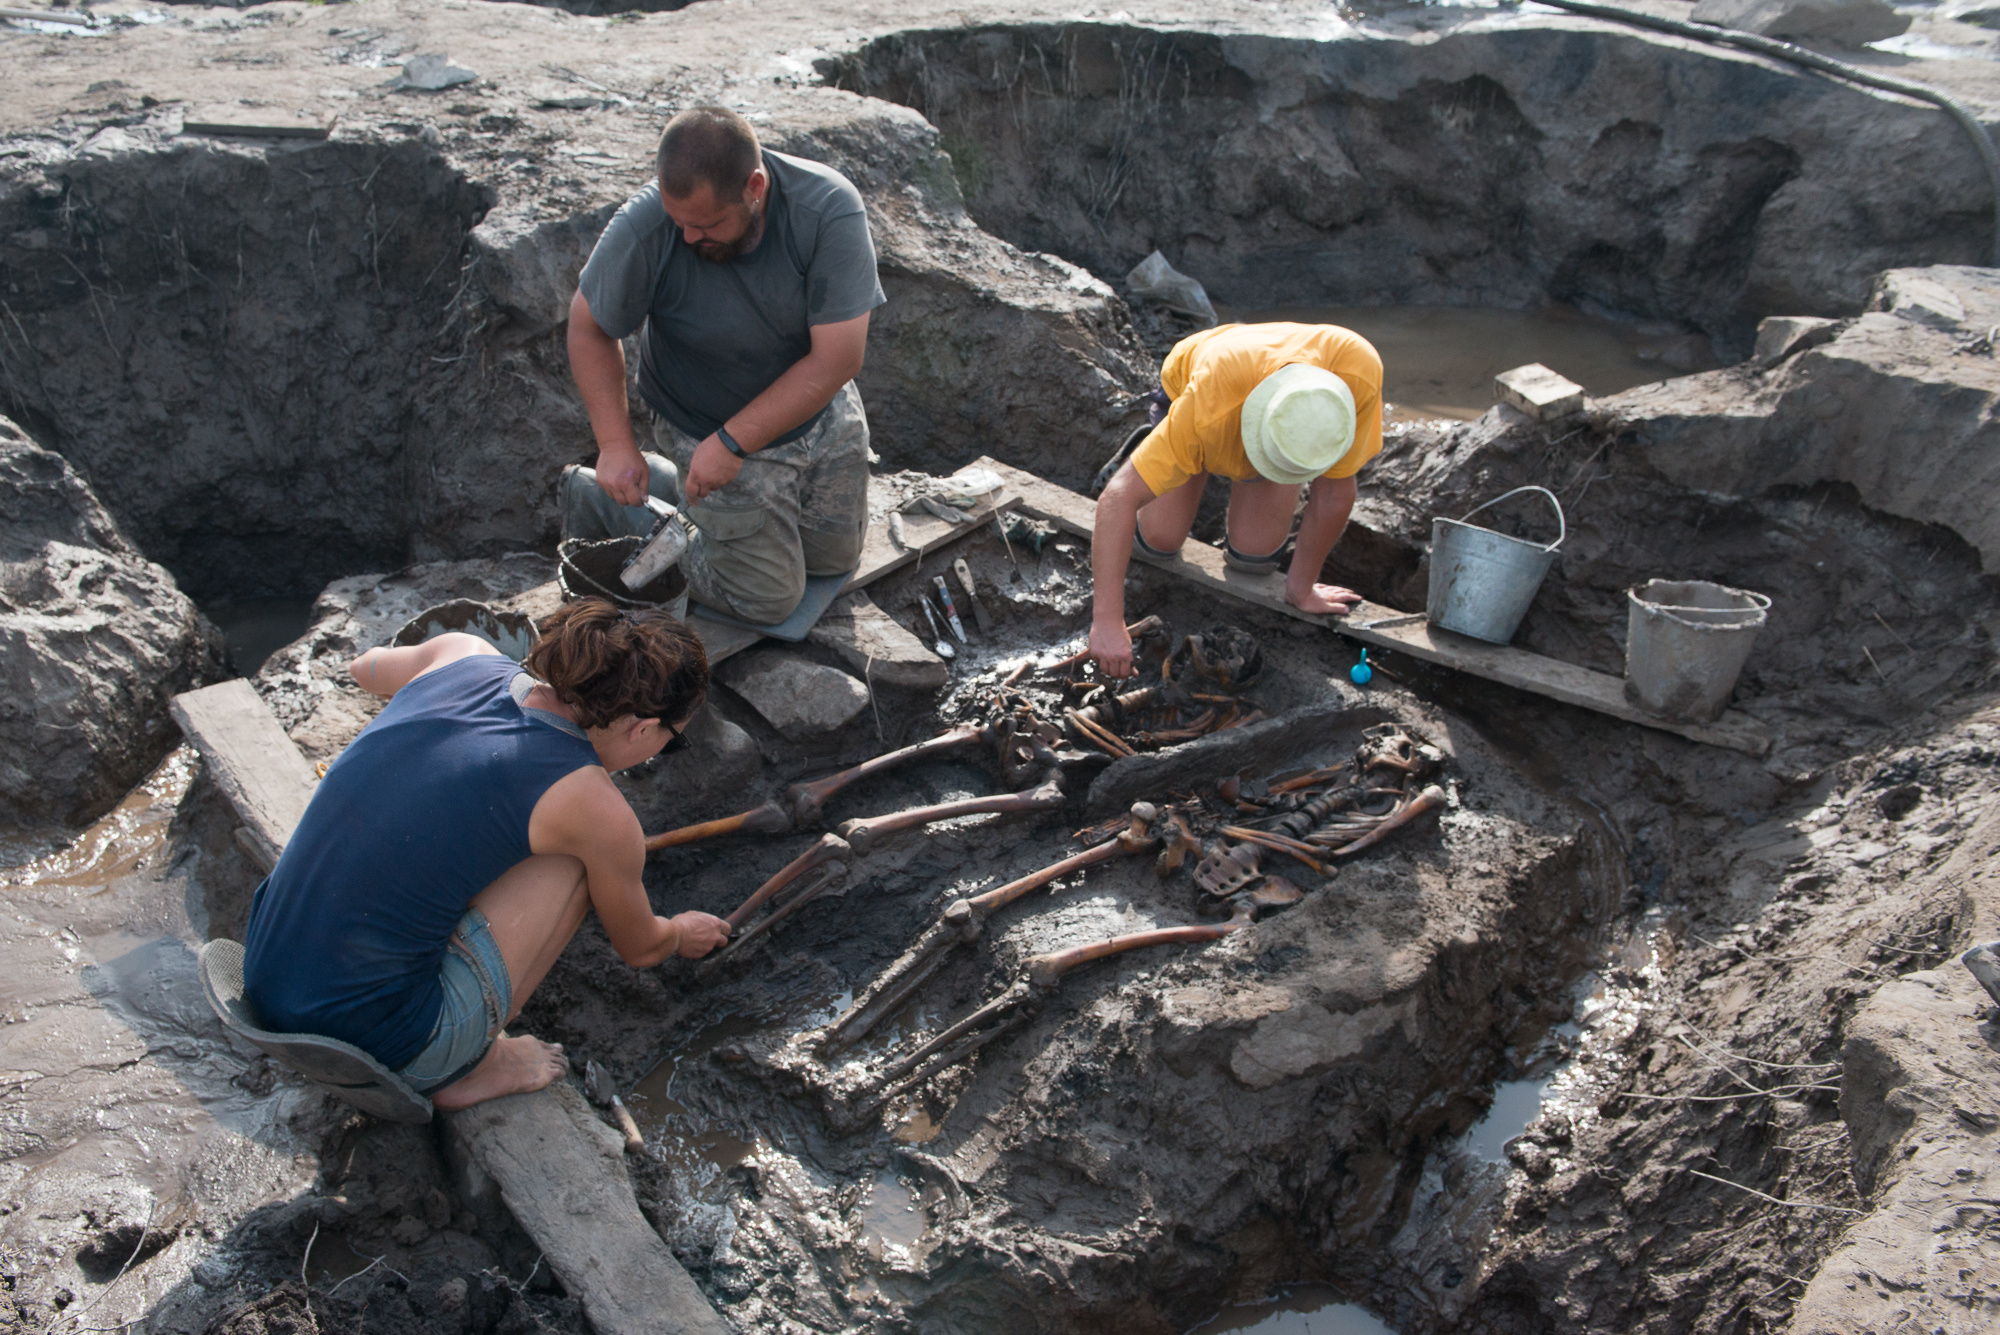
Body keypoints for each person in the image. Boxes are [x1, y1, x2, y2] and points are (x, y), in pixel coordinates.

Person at [240, 600, 732, 1110]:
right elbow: (641, 949)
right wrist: (679, 932)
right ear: (642, 728)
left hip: (265, 976)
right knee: (576, 863)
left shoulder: (462, 654)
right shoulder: (593, 808)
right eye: (670, 741)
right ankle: (472, 1065)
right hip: (373, 1043)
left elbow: (363, 669)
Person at [560, 105, 886, 626]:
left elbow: (839, 357)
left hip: (814, 408)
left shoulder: (826, 208)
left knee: (834, 561)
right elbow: (587, 325)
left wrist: (736, 441)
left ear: (754, 187)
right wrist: (616, 444)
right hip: (700, 417)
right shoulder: (645, 226)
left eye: (707, 224)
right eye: (679, 222)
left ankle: (674, 497)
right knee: (769, 599)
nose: (688, 238)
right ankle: (616, 503)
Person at [1089, 322, 1385, 677]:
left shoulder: (1356, 375)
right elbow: (1117, 498)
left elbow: (1335, 490)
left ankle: (1218, 466)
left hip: (1265, 401)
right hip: (1202, 387)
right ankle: (1148, 448)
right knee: (1159, 541)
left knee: (1253, 558)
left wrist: (1302, 588)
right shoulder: (1207, 409)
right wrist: (1106, 620)